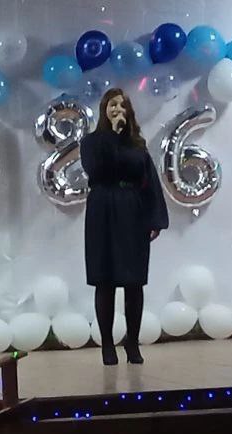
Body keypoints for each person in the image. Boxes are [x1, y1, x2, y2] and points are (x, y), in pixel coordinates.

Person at [81, 88, 169, 366]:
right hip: (102, 211)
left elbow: (150, 181)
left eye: (122, 105)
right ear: (104, 110)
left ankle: (132, 343)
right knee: (104, 281)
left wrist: (155, 219)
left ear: (129, 111)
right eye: (112, 104)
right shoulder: (92, 142)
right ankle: (107, 345)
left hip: (133, 212)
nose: (117, 109)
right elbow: (96, 169)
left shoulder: (137, 145)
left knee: (134, 282)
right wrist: (112, 135)